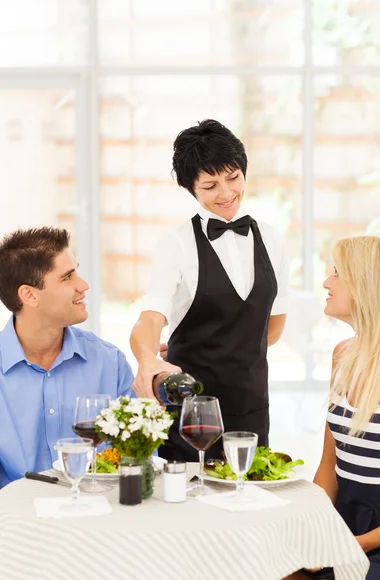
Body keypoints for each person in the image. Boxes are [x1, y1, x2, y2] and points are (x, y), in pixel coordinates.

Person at [130, 119, 289, 461]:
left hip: (252, 409)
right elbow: (150, 317)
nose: (226, 193)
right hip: (190, 412)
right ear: (191, 189)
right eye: (210, 185)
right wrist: (147, 358)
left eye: (233, 177)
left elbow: (273, 327)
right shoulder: (176, 243)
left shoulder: (273, 240)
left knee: (249, 505)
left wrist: (229, 347)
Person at [286, 236, 380, 580]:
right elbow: (329, 467)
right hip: (344, 523)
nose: (326, 282)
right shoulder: (342, 356)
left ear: (368, 286)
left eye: (337, 274)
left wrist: (358, 543)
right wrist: (314, 528)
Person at [0, 227, 134, 488]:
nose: (83, 285)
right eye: (67, 277)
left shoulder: (110, 364)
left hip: (100, 518)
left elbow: (139, 461)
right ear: (29, 295)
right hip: (13, 523)